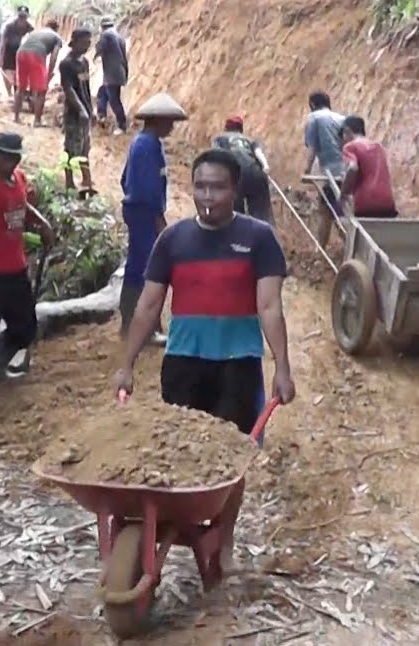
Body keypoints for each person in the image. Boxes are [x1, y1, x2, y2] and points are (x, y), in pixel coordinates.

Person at [114, 148, 295, 571]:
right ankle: (178, 525)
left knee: (231, 459)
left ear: (235, 190)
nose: (208, 196)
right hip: (183, 363)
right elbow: (148, 306)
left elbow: (269, 306)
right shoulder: (173, 240)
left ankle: (223, 541)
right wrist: (126, 366)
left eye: (217, 187)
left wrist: (282, 368)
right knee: (180, 450)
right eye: (200, 187)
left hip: (238, 363)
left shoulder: (259, 239)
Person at [0, 132, 57, 422]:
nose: (9, 161)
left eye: (14, 157)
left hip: (16, 269)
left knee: (25, 327)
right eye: (4, 156)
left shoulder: (19, 180)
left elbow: (21, 207)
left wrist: (41, 224)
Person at [119, 93, 188, 343]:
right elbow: (148, 189)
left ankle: (133, 322)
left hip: (138, 210)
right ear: (157, 121)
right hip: (144, 212)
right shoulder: (147, 146)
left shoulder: (144, 143)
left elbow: (124, 179)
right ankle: (143, 326)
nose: (171, 127)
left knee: (139, 265)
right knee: (147, 268)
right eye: (169, 122)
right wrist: (158, 218)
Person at [301, 91, 347, 247]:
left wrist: (306, 170)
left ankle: (324, 248)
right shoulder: (341, 118)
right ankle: (324, 247)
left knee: (329, 211)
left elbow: (312, 147)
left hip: (331, 173)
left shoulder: (314, 118)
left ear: (312, 104)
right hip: (346, 171)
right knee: (338, 209)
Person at [212, 115, 274, 225]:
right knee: (261, 212)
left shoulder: (220, 139)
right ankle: (264, 231)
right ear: (241, 129)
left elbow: (216, 155)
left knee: (234, 211)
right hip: (255, 172)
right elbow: (258, 153)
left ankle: (238, 231)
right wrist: (265, 166)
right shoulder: (249, 140)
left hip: (235, 173)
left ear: (226, 128)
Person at [59, 28, 95, 196]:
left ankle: (87, 178)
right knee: (72, 147)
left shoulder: (84, 62)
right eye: (84, 42)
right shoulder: (67, 64)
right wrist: (81, 110)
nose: (87, 45)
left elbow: (85, 88)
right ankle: (69, 180)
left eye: (89, 42)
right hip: (74, 112)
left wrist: (91, 109)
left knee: (85, 146)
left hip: (85, 109)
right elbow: (69, 89)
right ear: (75, 42)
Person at [338, 115, 397, 218]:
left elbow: (352, 168)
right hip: (387, 203)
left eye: (342, 135)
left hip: (366, 203)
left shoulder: (350, 147)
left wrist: (343, 194)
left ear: (347, 131)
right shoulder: (378, 146)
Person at [15, 22, 64, 127]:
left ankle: (16, 117)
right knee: (41, 91)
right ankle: (37, 121)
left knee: (21, 88)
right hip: (36, 55)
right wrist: (49, 73)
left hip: (21, 52)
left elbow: (23, 43)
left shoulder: (35, 32)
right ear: (56, 29)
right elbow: (54, 57)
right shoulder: (57, 37)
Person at [94, 17, 129, 135]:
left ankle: (122, 125)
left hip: (112, 73)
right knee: (102, 93)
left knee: (114, 100)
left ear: (102, 27)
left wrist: (96, 53)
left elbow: (100, 49)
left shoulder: (106, 35)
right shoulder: (119, 37)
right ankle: (101, 115)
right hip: (119, 71)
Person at [0, 6, 34, 98]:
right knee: (6, 72)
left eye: (24, 17)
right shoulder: (9, 26)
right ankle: (9, 93)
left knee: (18, 74)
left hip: (22, 53)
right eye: (20, 16)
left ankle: (17, 93)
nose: (22, 19)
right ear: (17, 16)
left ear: (27, 17)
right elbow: (3, 43)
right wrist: (1, 58)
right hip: (8, 52)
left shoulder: (30, 28)